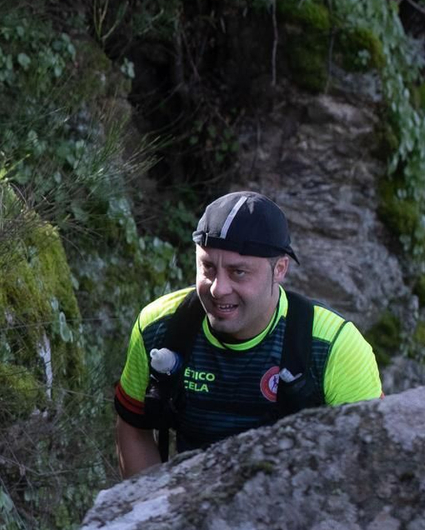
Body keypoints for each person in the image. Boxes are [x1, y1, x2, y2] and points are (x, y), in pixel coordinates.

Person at [113, 190, 382, 477]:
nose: (218, 288)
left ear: (279, 269)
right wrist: (157, 513)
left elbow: (369, 460)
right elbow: (132, 428)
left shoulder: (333, 346)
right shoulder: (160, 327)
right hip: (190, 505)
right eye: (208, 267)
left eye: (238, 272)